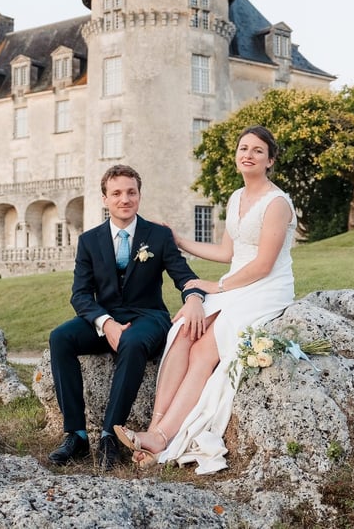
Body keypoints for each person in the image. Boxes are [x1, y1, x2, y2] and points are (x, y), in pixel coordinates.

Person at [114, 125, 297, 474]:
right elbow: (228, 251)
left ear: (270, 160)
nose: (248, 154)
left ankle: (163, 435)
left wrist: (218, 287)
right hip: (237, 282)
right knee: (184, 329)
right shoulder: (235, 198)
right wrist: (179, 240)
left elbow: (263, 264)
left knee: (204, 348)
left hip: (266, 287)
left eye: (258, 150)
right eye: (243, 148)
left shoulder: (277, 203)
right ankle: (155, 428)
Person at [48, 164, 201, 471]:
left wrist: (195, 296)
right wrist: (106, 323)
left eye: (131, 192)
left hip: (149, 317)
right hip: (106, 318)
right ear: (105, 199)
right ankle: (76, 435)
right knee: (60, 337)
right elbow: (80, 294)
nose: (124, 199)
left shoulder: (157, 236)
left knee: (131, 341)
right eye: (116, 193)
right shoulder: (89, 241)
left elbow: (183, 276)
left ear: (139, 196)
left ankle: (109, 436)